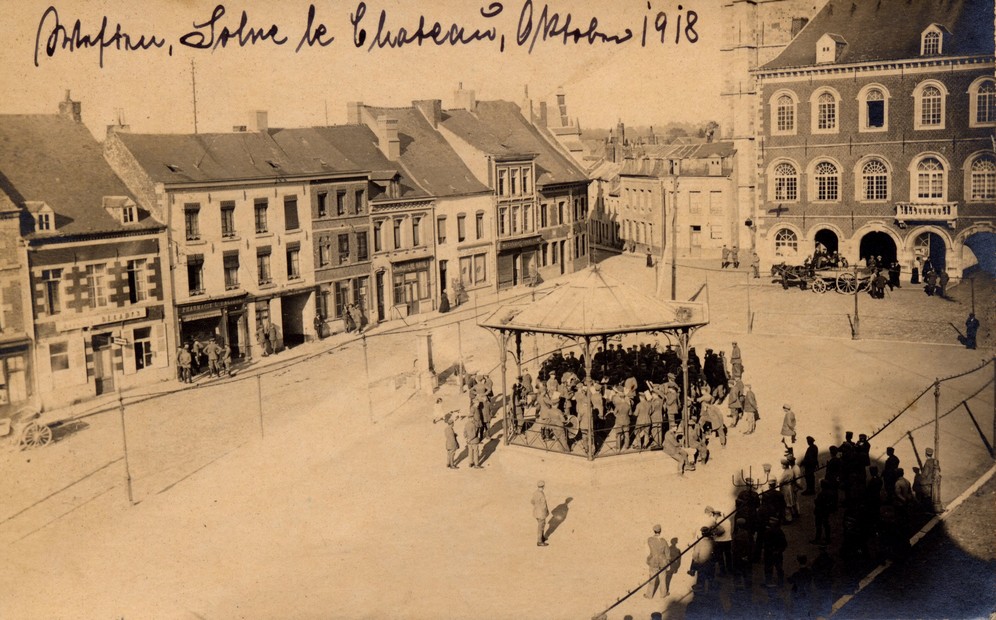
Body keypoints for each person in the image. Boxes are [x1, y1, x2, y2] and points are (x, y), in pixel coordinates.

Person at [762, 517, 787, 587]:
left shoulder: (767, 532)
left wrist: (770, 550)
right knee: (779, 567)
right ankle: (781, 581)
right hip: (778, 553)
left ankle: (768, 581)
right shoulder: (780, 532)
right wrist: (779, 550)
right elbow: (784, 544)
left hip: (769, 554)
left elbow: (766, 544)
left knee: (768, 568)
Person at [645, 524, 668, 598]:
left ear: (654, 531)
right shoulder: (664, 541)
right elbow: (667, 553)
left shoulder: (650, 540)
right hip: (662, 561)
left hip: (653, 561)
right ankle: (663, 594)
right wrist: (667, 560)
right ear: (660, 531)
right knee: (663, 579)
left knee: (652, 578)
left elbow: (649, 551)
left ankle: (649, 595)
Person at [920, 447, 941, 513]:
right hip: (934, 481)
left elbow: (924, 474)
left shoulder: (927, 462)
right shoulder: (935, 461)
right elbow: (939, 469)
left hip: (928, 481)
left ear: (926, 454)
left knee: (925, 494)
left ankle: (926, 509)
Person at [533, 480, 550, 546]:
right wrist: (546, 512)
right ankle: (539, 541)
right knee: (541, 526)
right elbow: (544, 505)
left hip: (536, 512)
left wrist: (537, 506)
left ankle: (542, 537)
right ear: (543, 486)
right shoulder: (541, 494)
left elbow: (532, 501)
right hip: (541, 513)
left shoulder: (535, 492)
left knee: (541, 525)